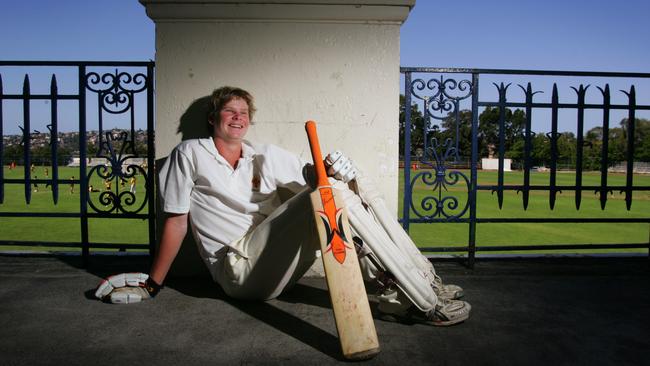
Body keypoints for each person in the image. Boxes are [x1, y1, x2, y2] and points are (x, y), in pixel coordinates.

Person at [95, 86, 470, 326]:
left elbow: (313, 177)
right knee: (324, 196)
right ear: (214, 119)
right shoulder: (190, 153)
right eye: (230, 110)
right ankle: (422, 304)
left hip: (275, 269)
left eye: (244, 112)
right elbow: (176, 221)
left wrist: (336, 171)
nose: (239, 116)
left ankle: (422, 281)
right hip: (236, 270)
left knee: (344, 187)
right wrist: (154, 283)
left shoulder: (263, 155)